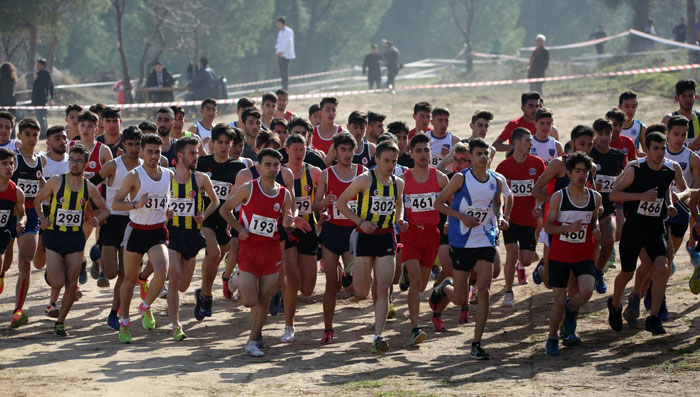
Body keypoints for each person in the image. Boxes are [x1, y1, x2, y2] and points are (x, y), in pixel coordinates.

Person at [431, 138, 508, 360]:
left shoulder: (496, 180)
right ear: (471, 157)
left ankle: (477, 342)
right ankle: (446, 288)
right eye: (479, 154)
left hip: (485, 239)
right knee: (461, 299)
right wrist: (461, 216)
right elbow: (439, 204)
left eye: (486, 154)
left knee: (483, 292)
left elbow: (496, 203)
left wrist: (500, 217)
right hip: (462, 241)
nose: (484, 157)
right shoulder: (460, 178)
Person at [219, 148, 294, 357]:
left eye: (275, 165)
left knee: (264, 299)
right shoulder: (247, 189)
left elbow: (286, 223)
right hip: (250, 250)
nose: (271, 169)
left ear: (280, 168)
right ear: (259, 167)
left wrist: (290, 224)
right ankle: (237, 280)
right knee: (250, 300)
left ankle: (252, 340)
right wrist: (239, 228)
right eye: (267, 165)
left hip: (271, 252)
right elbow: (225, 209)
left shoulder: (284, 194)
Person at [336, 140, 407, 353]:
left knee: (384, 288)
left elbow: (399, 203)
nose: (390, 165)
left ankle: (378, 335)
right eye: (386, 160)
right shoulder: (365, 180)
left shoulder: (398, 183)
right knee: (361, 292)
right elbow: (341, 203)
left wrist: (400, 219)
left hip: (386, 237)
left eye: (394, 162)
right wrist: (360, 222)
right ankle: (349, 271)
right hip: (365, 237)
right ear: (376, 160)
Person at [36, 144, 109, 336]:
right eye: (72, 160)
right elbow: (37, 200)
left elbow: (106, 209)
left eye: (78, 161)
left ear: (85, 164)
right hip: (54, 236)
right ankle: (52, 278)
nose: (74, 164)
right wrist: (43, 220)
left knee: (71, 283)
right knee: (58, 281)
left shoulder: (89, 188)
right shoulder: (56, 181)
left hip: (75, 238)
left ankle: (60, 322)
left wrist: (97, 219)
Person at [608, 132, 676, 336]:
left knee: (662, 268)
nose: (660, 152)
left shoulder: (667, 171)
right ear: (646, 149)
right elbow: (613, 194)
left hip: (655, 228)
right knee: (627, 272)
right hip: (634, 229)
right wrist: (641, 196)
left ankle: (653, 318)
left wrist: (670, 205)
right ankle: (616, 304)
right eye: (655, 148)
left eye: (663, 148)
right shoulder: (635, 169)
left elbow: (665, 190)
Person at [112, 133, 173, 344]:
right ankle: (125, 322)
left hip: (157, 231)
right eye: (150, 151)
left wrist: (169, 210)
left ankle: (145, 306)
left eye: (157, 151)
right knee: (129, 280)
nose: (154, 156)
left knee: (163, 273)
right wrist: (135, 205)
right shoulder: (133, 176)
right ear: (142, 152)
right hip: (136, 231)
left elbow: (166, 200)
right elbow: (116, 203)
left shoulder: (168, 175)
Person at [543, 152, 602, 355]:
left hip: (583, 253)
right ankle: (552, 337)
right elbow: (548, 227)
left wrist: (593, 231)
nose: (582, 175)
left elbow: (592, 223)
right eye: (577, 171)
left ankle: (570, 308)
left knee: (586, 291)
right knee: (557, 301)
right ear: (568, 173)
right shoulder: (559, 197)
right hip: (560, 254)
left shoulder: (595, 197)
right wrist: (567, 229)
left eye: (585, 171)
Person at [313, 132, 364, 343]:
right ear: (335, 152)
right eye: (342, 150)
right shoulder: (326, 174)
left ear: (354, 151)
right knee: (330, 285)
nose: (347, 154)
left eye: (350, 150)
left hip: (353, 231)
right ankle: (328, 328)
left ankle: (347, 274)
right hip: (332, 230)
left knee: (356, 288)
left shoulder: (362, 173)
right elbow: (315, 205)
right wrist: (324, 203)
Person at [90, 126, 142, 331]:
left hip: (133, 221)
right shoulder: (113, 165)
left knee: (126, 274)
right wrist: (96, 211)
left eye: (138, 144)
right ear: (123, 145)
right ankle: (98, 254)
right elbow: (91, 186)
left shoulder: (147, 165)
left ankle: (113, 314)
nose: (134, 149)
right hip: (112, 220)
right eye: (130, 144)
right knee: (111, 273)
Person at [166, 137, 218, 340]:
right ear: (180, 155)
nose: (196, 157)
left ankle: (194, 295)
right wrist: (165, 213)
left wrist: (204, 216)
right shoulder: (166, 177)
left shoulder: (201, 179)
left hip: (193, 235)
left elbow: (215, 201)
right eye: (192, 153)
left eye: (197, 153)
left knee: (183, 285)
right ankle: (176, 325)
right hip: (171, 233)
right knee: (175, 277)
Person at [400, 133, 449, 344]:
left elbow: (451, 204)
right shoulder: (402, 179)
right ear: (410, 154)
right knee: (417, 281)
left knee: (420, 286)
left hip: (431, 234)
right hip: (410, 233)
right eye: (418, 150)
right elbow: (397, 204)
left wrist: (450, 221)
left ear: (431, 153)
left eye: (426, 150)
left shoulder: (440, 178)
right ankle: (415, 327)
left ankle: (405, 275)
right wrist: (399, 219)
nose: (422, 154)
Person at [195, 124, 247, 311]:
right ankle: (206, 295)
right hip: (206, 217)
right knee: (214, 253)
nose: (224, 146)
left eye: (227, 142)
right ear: (213, 143)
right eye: (220, 142)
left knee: (217, 256)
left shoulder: (239, 167)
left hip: (227, 219)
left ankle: (205, 290)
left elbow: (240, 196)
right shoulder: (202, 163)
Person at [495, 128, 545, 306]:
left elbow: (542, 189)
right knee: (511, 252)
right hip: (511, 218)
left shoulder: (537, 163)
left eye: (531, 141)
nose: (531, 144)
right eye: (528, 141)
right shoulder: (503, 167)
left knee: (525, 259)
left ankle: (520, 266)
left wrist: (538, 206)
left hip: (529, 219)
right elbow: (498, 196)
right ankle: (508, 291)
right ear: (516, 142)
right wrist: (502, 216)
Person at [281, 134, 322, 343]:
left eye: (302, 149)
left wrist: (323, 209)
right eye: (294, 149)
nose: (298, 153)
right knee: (292, 280)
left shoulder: (314, 173)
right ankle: (289, 326)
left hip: (308, 229)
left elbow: (319, 203)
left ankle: (280, 288)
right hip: (288, 231)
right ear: (286, 150)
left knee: (307, 290)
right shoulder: (280, 173)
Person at [7, 118, 47, 328]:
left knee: (25, 263)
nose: (31, 139)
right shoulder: (13, 160)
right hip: (8, 213)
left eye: (35, 134)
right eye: (27, 134)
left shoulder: (41, 161)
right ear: (19, 136)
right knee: (5, 264)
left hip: (30, 215)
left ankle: (17, 310)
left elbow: (44, 185)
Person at [36, 125, 70, 315]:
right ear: (48, 142)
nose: (62, 141)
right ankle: (52, 273)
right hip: (46, 211)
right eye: (57, 138)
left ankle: (53, 303)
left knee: (65, 255)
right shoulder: (42, 160)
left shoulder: (72, 161)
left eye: (64, 138)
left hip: (68, 213)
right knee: (39, 262)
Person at [589, 119, 625, 294]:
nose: (604, 137)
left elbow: (623, 177)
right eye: (600, 133)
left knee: (609, 239)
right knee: (593, 242)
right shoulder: (588, 154)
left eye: (607, 133)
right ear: (595, 135)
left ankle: (598, 272)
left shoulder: (618, 155)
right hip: (587, 207)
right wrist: (593, 186)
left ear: (612, 134)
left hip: (608, 207)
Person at [0, 149, 24, 303]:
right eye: (4, 164)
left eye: (11, 163)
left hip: (2, 234)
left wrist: (22, 221)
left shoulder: (16, 191)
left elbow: (22, 213)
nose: (9, 167)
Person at [663, 80, 700, 151]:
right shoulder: (668, 120)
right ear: (677, 98)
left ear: (695, 97)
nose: (688, 99)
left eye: (690, 96)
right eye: (684, 96)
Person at [31, 59, 53, 137]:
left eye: (38, 64)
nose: (36, 66)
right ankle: (44, 132)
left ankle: (43, 133)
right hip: (41, 99)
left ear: (43, 65)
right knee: (42, 116)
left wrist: (48, 98)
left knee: (41, 116)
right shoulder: (42, 75)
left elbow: (48, 87)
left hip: (40, 100)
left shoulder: (43, 75)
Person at [275, 16, 295, 91]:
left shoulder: (289, 31)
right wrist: (277, 52)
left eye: (278, 23)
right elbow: (278, 43)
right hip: (280, 55)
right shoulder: (280, 32)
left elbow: (288, 43)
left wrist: (281, 52)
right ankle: (283, 87)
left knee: (285, 72)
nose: (277, 25)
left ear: (281, 23)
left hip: (287, 55)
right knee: (281, 73)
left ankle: (285, 88)